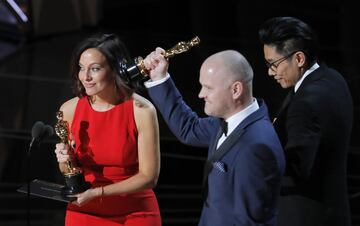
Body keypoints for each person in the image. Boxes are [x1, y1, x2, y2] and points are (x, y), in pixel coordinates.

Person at [143, 48, 285, 226]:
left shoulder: (256, 146)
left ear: (236, 90)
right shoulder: (228, 120)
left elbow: (248, 222)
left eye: (208, 87)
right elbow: (188, 128)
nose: (200, 94)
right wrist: (159, 78)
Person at [54, 33, 161, 226]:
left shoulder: (142, 111)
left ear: (115, 70)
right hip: (84, 209)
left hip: (135, 211)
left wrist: (98, 193)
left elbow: (149, 177)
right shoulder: (68, 110)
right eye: (81, 68)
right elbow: (67, 170)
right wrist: (65, 160)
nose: (85, 77)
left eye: (94, 69)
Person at [258, 17, 353, 226]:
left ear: (299, 58)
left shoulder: (305, 104)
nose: (270, 72)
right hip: (334, 212)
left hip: (304, 217)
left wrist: (250, 160)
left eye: (273, 64)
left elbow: (296, 170)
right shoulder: (332, 78)